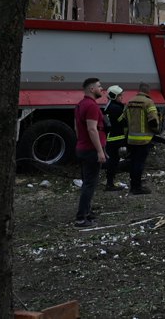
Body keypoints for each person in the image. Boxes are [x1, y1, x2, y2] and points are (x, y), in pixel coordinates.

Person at [74, 77, 106, 227]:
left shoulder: (80, 105)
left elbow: (77, 127)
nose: (102, 89)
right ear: (92, 89)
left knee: (87, 182)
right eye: (100, 87)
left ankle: (87, 212)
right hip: (90, 150)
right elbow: (92, 129)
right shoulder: (92, 106)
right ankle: (81, 218)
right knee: (89, 184)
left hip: (82, 148)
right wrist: (100, 151)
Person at [120, 82, 161, 195]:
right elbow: (153, 120)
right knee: (139, 164)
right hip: (144, 140)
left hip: (131, 139)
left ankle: (133, 185)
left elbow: (123, 119)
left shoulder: (129, 102)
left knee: (133, 163)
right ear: (148, 91)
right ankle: (137, 188)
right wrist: (156, 131)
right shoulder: (148, 102)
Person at [102, 85, 127, 191]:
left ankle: (110, 181)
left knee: (112, 161)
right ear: (114, 96)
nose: (122, 97)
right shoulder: (116, 108)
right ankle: (110, 184)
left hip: (110, 138)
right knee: (113, 161)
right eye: (120, 95)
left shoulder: (108, 106)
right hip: (115, 138)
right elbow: (124, 123)